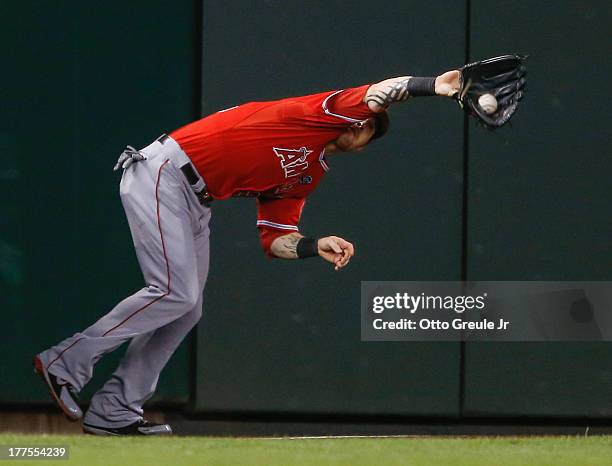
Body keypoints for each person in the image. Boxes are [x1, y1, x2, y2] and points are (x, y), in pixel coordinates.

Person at [33, 69, 461, 435]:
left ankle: (115, 410)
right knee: (174, 292)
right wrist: (433, 86)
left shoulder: (308, 172)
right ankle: (67, 362)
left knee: (187, 307)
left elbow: (275, 240)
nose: (363, 127)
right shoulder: (314, 114)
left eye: (370, 131)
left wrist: (314, 245)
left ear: (365, 146)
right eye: (366, 120)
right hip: (164, 171)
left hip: (195, 199)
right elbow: (376, 94)